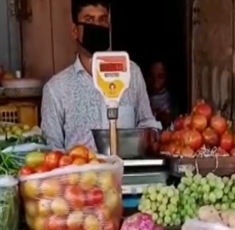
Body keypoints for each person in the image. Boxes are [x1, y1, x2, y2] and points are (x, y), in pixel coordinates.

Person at [40, 0, 160, 151]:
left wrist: (151, 135)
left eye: (102, 20)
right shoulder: (56, 90)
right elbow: (52, 150)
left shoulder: (131, 73)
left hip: (126, 172)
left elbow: (147, 124)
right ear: (74, 30)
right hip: (79, 174)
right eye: (89, 20)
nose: (96, 26)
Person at [147, 60, 177, 129]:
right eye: (152, 76)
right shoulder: (143, 98)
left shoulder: (172, 99)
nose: (155, 81)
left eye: (160, 76)